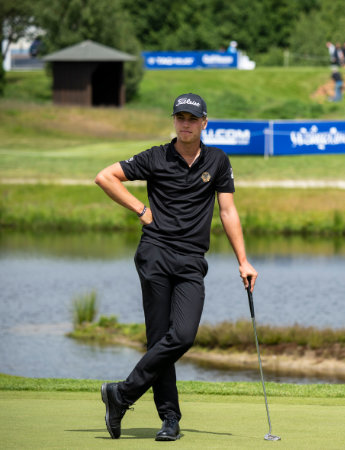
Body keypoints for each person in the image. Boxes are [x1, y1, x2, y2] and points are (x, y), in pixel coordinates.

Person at [95, 93, 258, 441]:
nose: (185, 124)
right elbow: (105, 177)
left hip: (190, 261)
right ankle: (170, 419)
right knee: (159, 338)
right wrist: (141, 210)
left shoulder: (217, 161)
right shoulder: (156, 156)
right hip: (154, 254)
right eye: (180, 118)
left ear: (204, 123)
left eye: (192, 119)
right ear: (175, 121)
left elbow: (228, 211)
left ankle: (121, 394)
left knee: (181, 335)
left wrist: (243, 261)